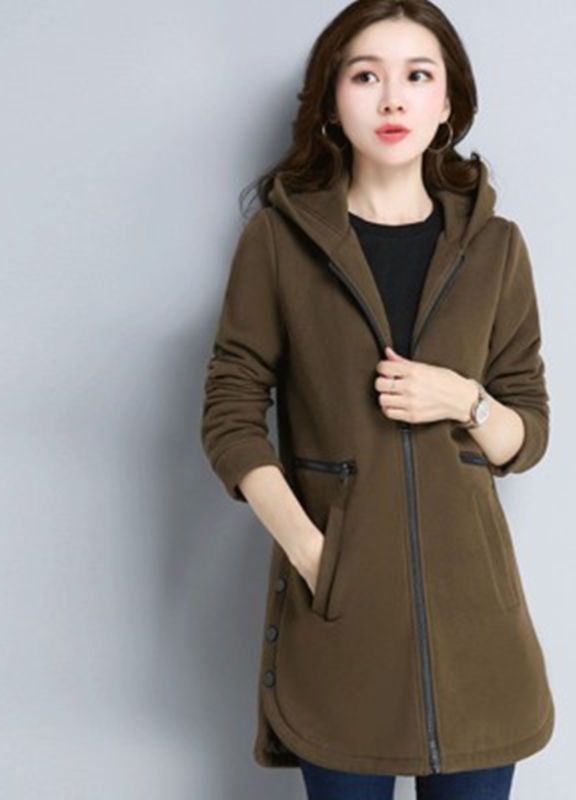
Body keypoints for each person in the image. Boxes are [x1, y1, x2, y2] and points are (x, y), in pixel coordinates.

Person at [200, 2, 555, 798]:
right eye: (366, 76)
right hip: (343, 619)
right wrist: (314, 555)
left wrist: (463, 398)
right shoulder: (279, 243)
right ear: (331, 102)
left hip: (476, 627)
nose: (393, 99)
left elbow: (526, 434)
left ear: (448, 102)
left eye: (417, 76)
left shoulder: (496, 248)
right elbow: (229, 412)